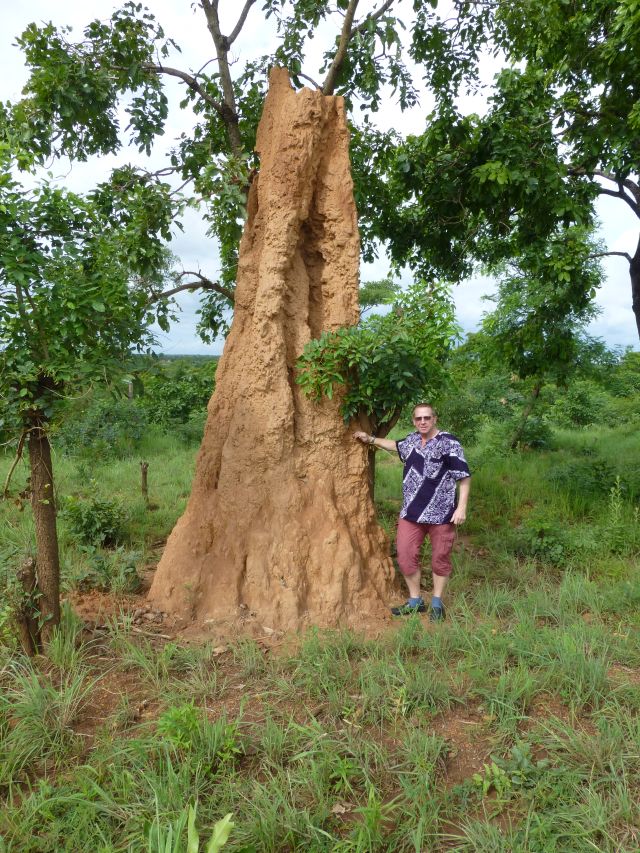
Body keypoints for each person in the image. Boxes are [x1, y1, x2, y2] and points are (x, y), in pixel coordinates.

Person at [354, 403, 470, 620]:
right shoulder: (412, 440)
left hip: (442, 514)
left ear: (434, 418)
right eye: (419, 419)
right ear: (413, 421)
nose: (423, 422)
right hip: (411, 513)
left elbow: (463, 477)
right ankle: (415, 600)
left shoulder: (449, 443)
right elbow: (394, 445)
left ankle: (437, 602)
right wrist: (370, 439)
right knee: (405, 555)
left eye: (427, 418)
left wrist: (461, 507)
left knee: (440, 558)